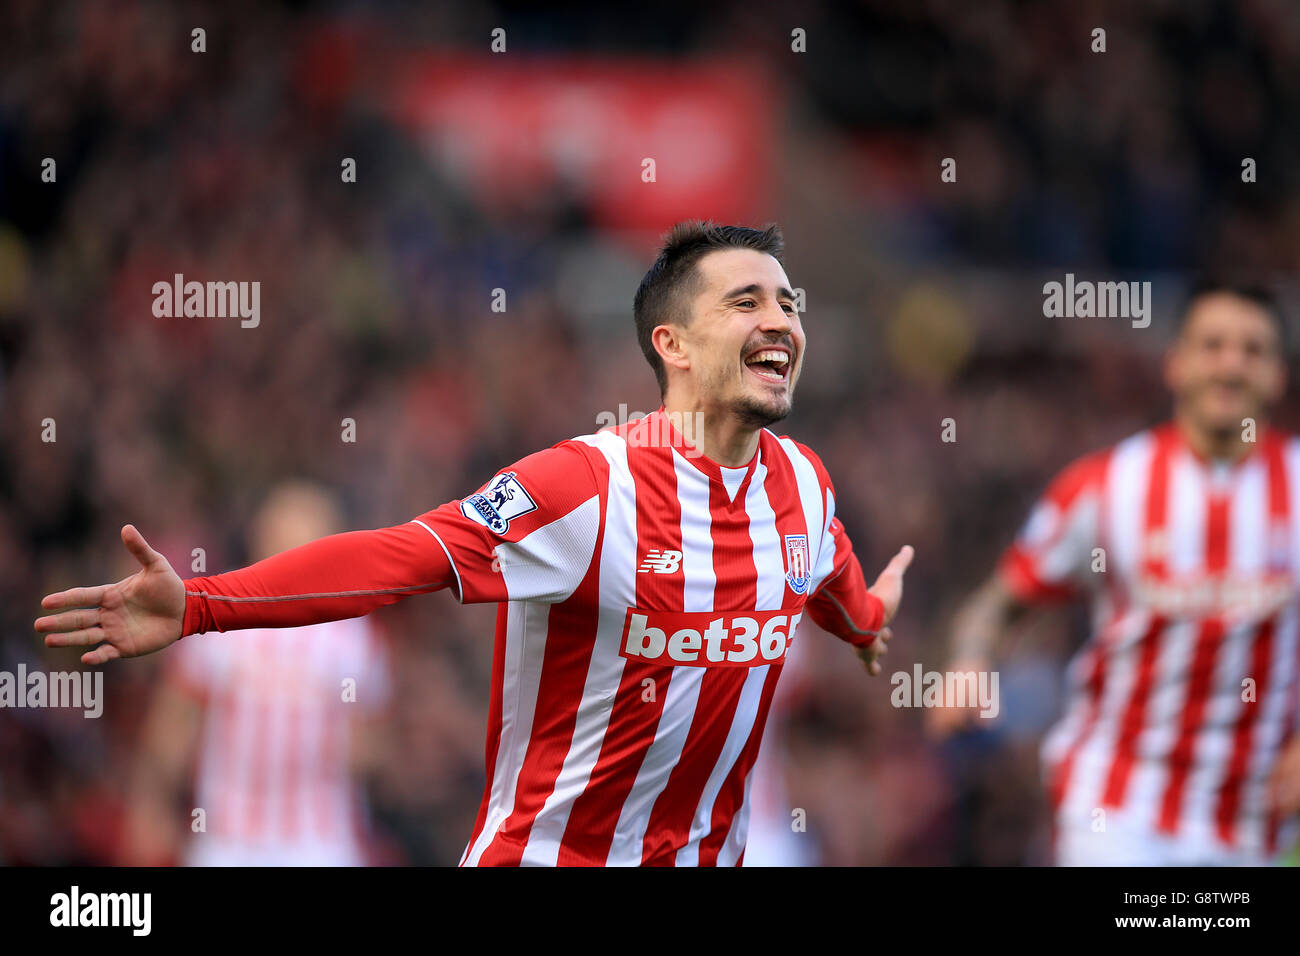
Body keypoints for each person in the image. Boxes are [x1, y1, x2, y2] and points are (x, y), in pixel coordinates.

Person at [37, 220, 913, 867]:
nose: (783, 321)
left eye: (790, 303)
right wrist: (199, 604)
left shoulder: (803, 485)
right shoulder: (584, 488)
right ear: (672, 343)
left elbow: (830, 576)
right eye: (747, 300)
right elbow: (395, 559)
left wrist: (870, 620)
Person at [936, 281, 1300, 865]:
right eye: (1213, 346)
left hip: (1253, 821)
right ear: (1176, 365)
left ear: (1278, 373)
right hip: (1117, 808)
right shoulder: (1105, 488)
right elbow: (1000, 601)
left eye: (1252, 350)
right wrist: (970, 663)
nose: (1231, 365)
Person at [121, 481, 391, 867]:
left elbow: (373, 739)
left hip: (319, 839)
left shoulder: (352, 633)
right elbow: (174, 722)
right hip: (227, 838)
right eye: (285, 538)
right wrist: (149, 806)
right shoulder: (218, 616)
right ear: (261, 539)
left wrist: (340, 748)